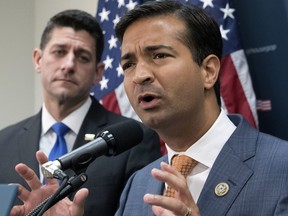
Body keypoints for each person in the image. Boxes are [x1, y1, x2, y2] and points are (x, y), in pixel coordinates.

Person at [9, 1, 288, 216]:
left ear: (209, 71)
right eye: (128, 64)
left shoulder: (281, 168)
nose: (139, 75)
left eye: (159, 55)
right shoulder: (139, 184)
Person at [0, 9, 162, 216]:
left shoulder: (132, 142)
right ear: (38, 59)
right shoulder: (3, 143)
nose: (68, 65)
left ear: (98, 73)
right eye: (59, 52)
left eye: (82, 57)